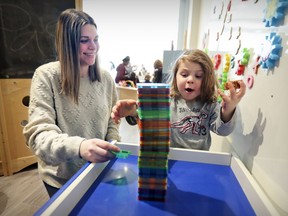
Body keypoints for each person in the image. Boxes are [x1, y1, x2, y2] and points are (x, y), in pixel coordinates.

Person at [23, 9, 121, 198]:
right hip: (62, 180)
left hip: (98, 171)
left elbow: (111, 121)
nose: (93, 46)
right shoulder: (45, 76)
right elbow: (39, 136)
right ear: (67, 43)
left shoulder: (106, 79)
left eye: (96, 39)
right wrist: (80, 147)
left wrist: (112, 143)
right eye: (84, 40)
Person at [111, 49, 246, 150]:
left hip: (198, 162)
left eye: (198, 76)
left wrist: (227, 112)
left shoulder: (210, 103)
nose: (191, 80)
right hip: (169, 161)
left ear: (207, 80)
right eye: (184, 74)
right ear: (176, 76)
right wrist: (133, 111)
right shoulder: (166, 99)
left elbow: (222, 131)